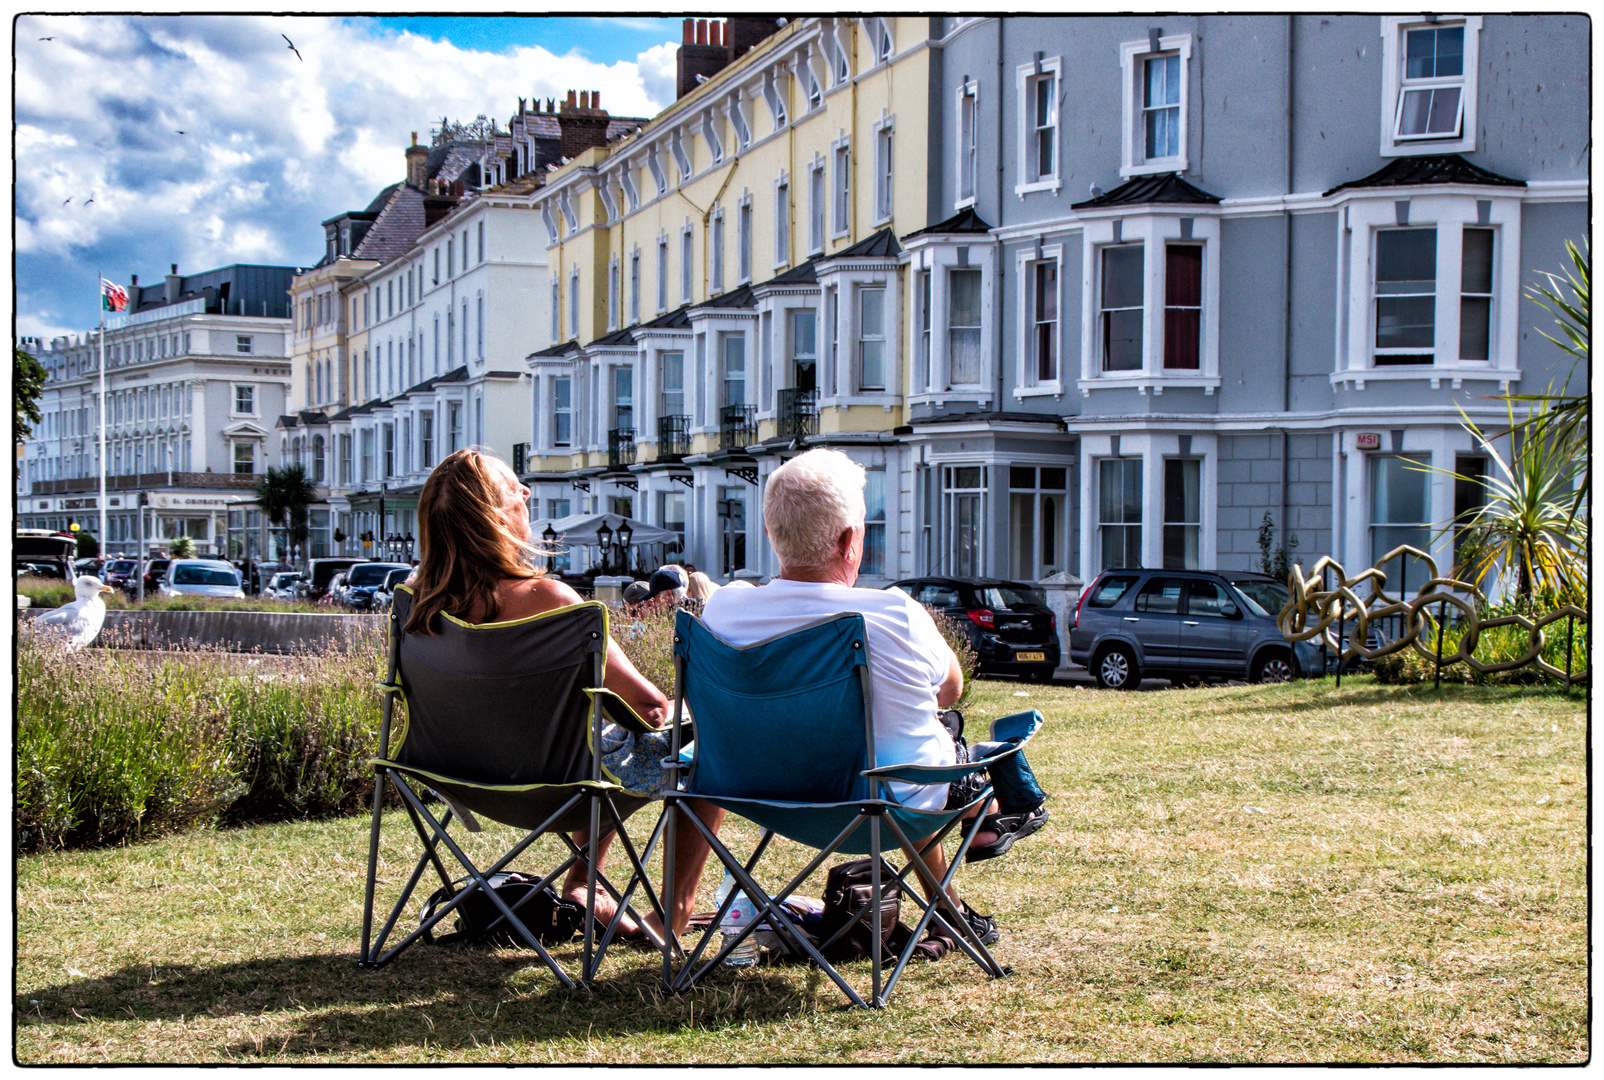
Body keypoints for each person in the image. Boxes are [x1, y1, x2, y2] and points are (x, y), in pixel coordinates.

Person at [700, 448, 1048, 944]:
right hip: (870, 805)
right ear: (850, 540)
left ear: (774, 535)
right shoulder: (893, 613)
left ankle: (952, 898)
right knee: (934, 753)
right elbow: (950, 691)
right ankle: (992, 817)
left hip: (754, 794)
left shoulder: (724, 608)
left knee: (908, 749)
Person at [406, 448, 722, 942]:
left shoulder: (414, 605)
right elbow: (651, 707)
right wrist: (697, 710)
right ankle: (674, 911)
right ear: (493, 517)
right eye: (515, 489)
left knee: (602, 739)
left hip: (457, 778)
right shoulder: (550, 602)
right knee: (704, 744)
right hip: (559, 790)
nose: (527, 493)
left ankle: (583, 881)